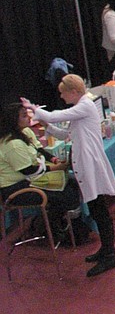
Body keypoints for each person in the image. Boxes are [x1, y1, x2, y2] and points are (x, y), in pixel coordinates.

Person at [26, 74, 115, 276]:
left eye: (63, 92)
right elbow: (65, 134)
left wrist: (36, 111)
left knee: (99, 209)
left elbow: (55, 115)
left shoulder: (85, 106)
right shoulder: (81, 110)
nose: (61, 96)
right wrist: (47, 126)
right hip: (85, 163)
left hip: (90, 164)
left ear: (73, 92)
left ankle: (110, 254)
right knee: (96, 209)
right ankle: (106, 249)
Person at [0, 101, 80, 241]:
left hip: (31, 180)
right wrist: (57, 168)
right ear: (14, 120)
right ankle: (61, 230)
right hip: (17, 189)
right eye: (24, 116)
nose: (29, 118)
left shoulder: (25, 132)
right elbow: (29, 170)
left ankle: (59, 224)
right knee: (65, 193)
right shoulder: (12, 145)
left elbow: (39, 150)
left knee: (72, 183)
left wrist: (54, 159)